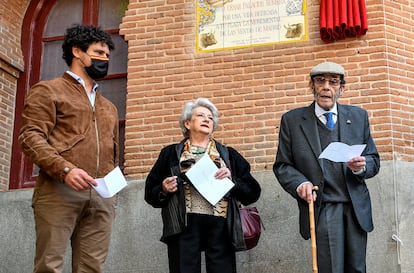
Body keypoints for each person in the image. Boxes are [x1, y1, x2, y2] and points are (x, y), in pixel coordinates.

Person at [18, 24, 119, 273]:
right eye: (98, 52)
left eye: (107, 55)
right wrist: (65, 170)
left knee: (92, 267)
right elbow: (30, 137)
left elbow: (112, 150)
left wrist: (112, 188)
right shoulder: (48, 90)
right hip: (58, 190)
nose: (104, 59)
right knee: (49, 266)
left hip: (101, 196)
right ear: (77, 51)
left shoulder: (109, 107)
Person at [273, 61, 380, 273]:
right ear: (311, 86)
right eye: (320, 81)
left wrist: (361, 166)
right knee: (331, 269)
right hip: (322, 207)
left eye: (333, 82)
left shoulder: (358, 117)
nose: (326, 87)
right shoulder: (292, 121)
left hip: (355, 208)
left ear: (342, 88)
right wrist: (300, 182)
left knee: (358, 268)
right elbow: (283, 165)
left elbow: (374, 160)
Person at [145, 98, 261, 273]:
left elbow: (253, 192)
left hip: (221, 225)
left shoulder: (228, 155)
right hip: (184, 224)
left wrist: (232, 181)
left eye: (210, 117)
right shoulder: (170, 153)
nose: (207, 119)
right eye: (200, 115)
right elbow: (150, 192)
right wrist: (163, 189)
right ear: (187, 123)